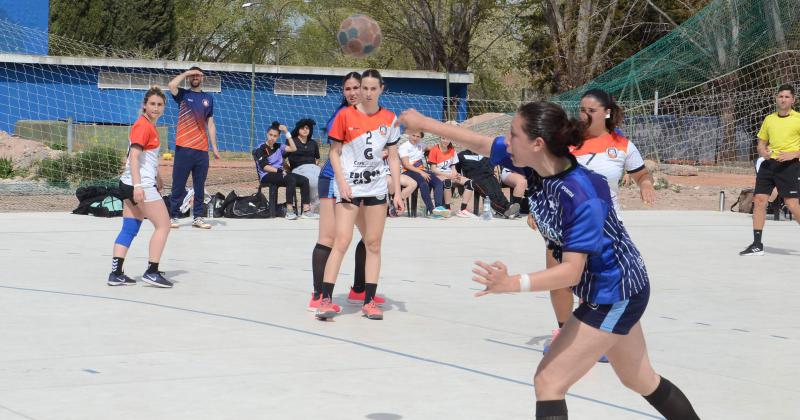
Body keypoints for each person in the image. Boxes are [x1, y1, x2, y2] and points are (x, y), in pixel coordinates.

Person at [398, 104, 700, 420]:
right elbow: (479, 142)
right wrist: (425, 123)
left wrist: (513, 284)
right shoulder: (534, 166)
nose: (506, 141)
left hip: (615, 292)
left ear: (537, 143)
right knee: (639, 379)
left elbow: (571, 270)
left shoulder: (583, 194)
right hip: (614, 287)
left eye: (514, 135)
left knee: (548, 381)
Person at [545, 88, 657, 354]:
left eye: (591, 111)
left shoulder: (622, 146)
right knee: (558, 280)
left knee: (593, 284)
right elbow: (548, 177)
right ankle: (563, 332)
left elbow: (641, 174)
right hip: (564, 222)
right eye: (582, 110)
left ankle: (594, 337)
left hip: (604, 226)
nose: (584, 116)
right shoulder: (567, 142)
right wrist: (537, 210)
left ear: (606, 113)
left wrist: (646, 185)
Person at [317, 69, 405, 321]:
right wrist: (341, 182)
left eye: (372, 88)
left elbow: (394, 156)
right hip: (350, 189)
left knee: (373, 243)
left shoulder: (389, 119)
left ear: (381, 89)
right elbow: (334, 153)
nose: (366, 93)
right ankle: (325, 300)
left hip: (376, 188)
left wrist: (397, 191)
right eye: (363, 88)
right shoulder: (345, 115)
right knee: (341, 241)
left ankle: (368, 301)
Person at [108, 87, 173, 288]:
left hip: (128, 184)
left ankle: (116, 274)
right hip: (139, 186)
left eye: (159, 104)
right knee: (164, 226)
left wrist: (158, 175)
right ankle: (152, 272)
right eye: (152, 104)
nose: (156, 108)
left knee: (130, 226)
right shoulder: (143, 126)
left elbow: (147, 158)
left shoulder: (147, 125)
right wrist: (139, 186)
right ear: (144, 105)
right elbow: (134, 157)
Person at [740, 83, 800, 256]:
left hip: (789, 166)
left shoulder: (798, 118)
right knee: (759, 200)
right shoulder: (769, 119)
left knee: (792, 204)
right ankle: (757, 244)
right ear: (776, 98)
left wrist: (793, 154)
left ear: (793, 100)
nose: (783, 99)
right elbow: (761, 142)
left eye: (787, 97)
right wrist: (762, 151)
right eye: (780, 96)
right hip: (769, 165)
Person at [167, 66, 220, 230]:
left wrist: (215, 147)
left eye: (198, 75)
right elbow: (171, 85)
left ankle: (198, 217)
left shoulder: (208, 98)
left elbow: (210, 124)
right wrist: (187, 73)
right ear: (190, 78)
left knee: (199, 185)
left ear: (202, 78)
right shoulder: (183, 95)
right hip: (184, 147)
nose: (195, 77)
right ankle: (173, 216)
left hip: (202, 150)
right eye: (192, 75)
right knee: (178, 183)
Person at [252, 122, 312, 220]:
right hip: (267, 175)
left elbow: (294, 148)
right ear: (267, 134)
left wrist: (286, 132)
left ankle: (306, 210)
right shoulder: (261, 148)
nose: (272, 138)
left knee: (304, 180)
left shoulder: (279, 146)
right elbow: (264, 167)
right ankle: (289, 211)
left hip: (280, 173)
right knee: (290, 179)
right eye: (271, 135)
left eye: (275, 136)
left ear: (278, 137)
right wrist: (280, 171)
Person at [399, 131, 450, 218]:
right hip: (408, 171)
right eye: (413, 135)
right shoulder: (404, 147)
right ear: (409, 135)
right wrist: (421, 172)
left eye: (418, 136)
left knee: (438, 182)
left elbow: (430, 148)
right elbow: (406, 164)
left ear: (420, 138)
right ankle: (432, 211)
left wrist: (442, 148)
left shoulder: (421, 145)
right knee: (424, 183)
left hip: (421, 171)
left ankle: (438, 208)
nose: (415, 138)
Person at [456, 149, 520, 218]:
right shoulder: (461, 155)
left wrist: (492, 173)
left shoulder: (483, 153)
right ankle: (504, 211)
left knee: (498, 192)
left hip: (488, 176)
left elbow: (490, 166)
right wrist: (462, 183)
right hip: (476, 178)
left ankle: (508, 206)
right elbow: (457, 170)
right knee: (490, 194)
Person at [427, 129, 476, 218]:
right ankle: (447, 208)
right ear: (440, 138)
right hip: (439, 175)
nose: (445, 141)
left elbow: (453, 167)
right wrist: (448, 176)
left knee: (470, 183)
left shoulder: (452, 150)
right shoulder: (434, 150)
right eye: (443, 138)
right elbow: (433, 169)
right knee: (448, 182)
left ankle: (463, 210)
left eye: (447, 139)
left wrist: (455, 174)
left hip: (450, 174)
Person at [287, 118, 321, 215]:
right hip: (299, 169)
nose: (305, 130)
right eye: (302, 128)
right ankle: (312, 206)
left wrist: (314, 167)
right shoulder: (292, 141)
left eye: (307, 128)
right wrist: (288, 168)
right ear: (298, 129)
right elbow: (281, 158)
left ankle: (323, 205)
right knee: (313, 181)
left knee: (325, 179)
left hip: (313, 167)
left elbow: (317, 158)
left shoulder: (313, 143)